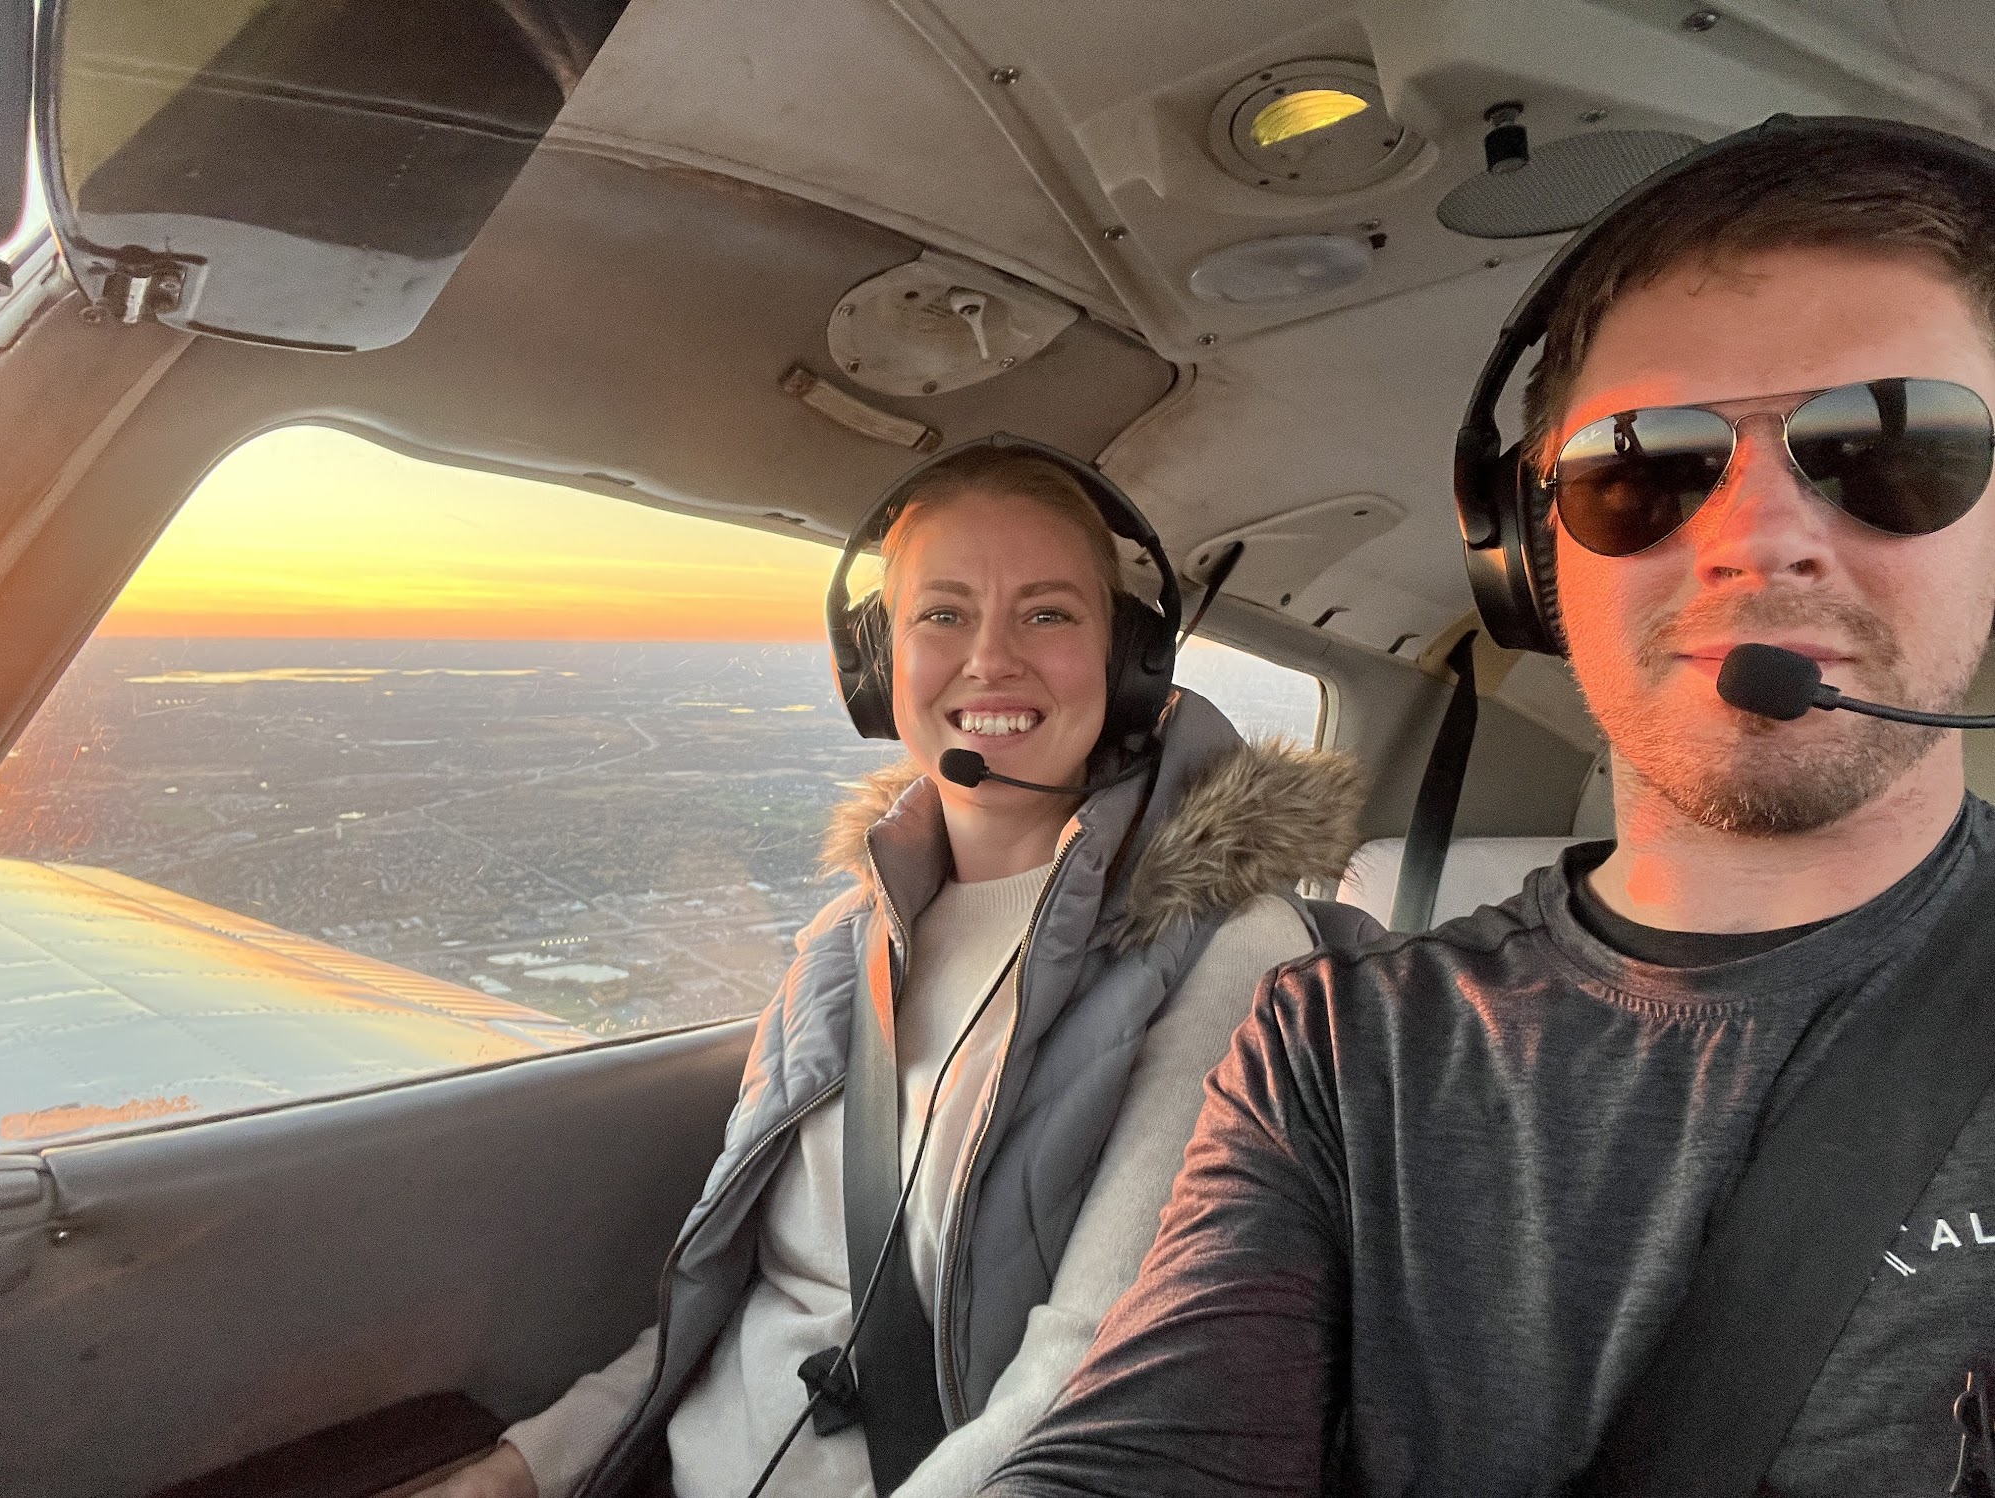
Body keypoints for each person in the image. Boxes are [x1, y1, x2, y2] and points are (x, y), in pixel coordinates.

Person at [977, 120, 1995, 1497]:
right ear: (1528, 551)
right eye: (1641, 461)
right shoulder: (1343, 1049)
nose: (1761, 537)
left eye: (1893, 445)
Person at [426, 439, 1368, 1498]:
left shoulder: (1228, 952)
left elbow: (1089, 1378)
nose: (991, 659)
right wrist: (526, 1465)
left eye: (1048, 614)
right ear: (877, 665)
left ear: (1128, 661)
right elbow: (739, 1293)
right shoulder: (843, 945)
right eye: (944, 613)